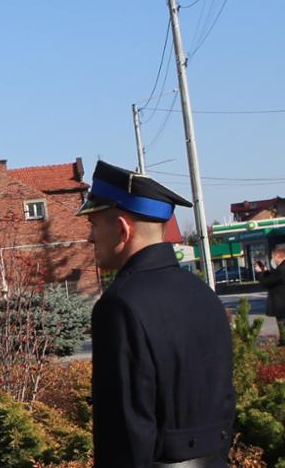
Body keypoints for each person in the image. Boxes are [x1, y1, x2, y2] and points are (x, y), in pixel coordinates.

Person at [80, 161, 235, 468]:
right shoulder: (203, 294)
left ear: (123, 229)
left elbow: (125, 430)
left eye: (94, 225)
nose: (90, 237)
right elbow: (225, 403)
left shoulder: (120, 305)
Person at [253, 247, 285, 333]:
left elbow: (266, 282)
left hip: (282, 307)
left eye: (272, 257)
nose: (272, 260)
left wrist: (259, 272)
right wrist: (265, 271)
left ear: (278, 257)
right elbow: (274, 279)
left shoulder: (282, 269)